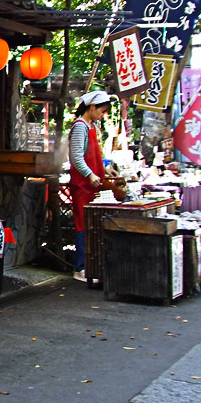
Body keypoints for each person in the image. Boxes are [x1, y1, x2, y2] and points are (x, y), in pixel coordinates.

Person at [68, 90, 112, 282]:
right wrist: (90, 174)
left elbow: (94, 156)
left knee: (93, 225)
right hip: (83, 186)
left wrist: (106, 170)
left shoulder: (91, 126)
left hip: (93, 185)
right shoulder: (80, 127)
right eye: (101, 111)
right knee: (83, 226)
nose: (102, 115)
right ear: (92, 107)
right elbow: (76, 157)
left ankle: (92, 266)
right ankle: (80, 267)